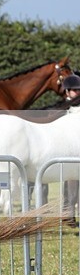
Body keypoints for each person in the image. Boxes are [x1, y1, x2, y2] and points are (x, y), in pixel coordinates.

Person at [62, 74, 80, 226]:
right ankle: (68, 214)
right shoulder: (63, 108)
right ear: (67, 91)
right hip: (66, 150)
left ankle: (70, 215)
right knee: (70, 187)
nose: (77, 92)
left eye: (78, 90)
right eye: (74, 90)